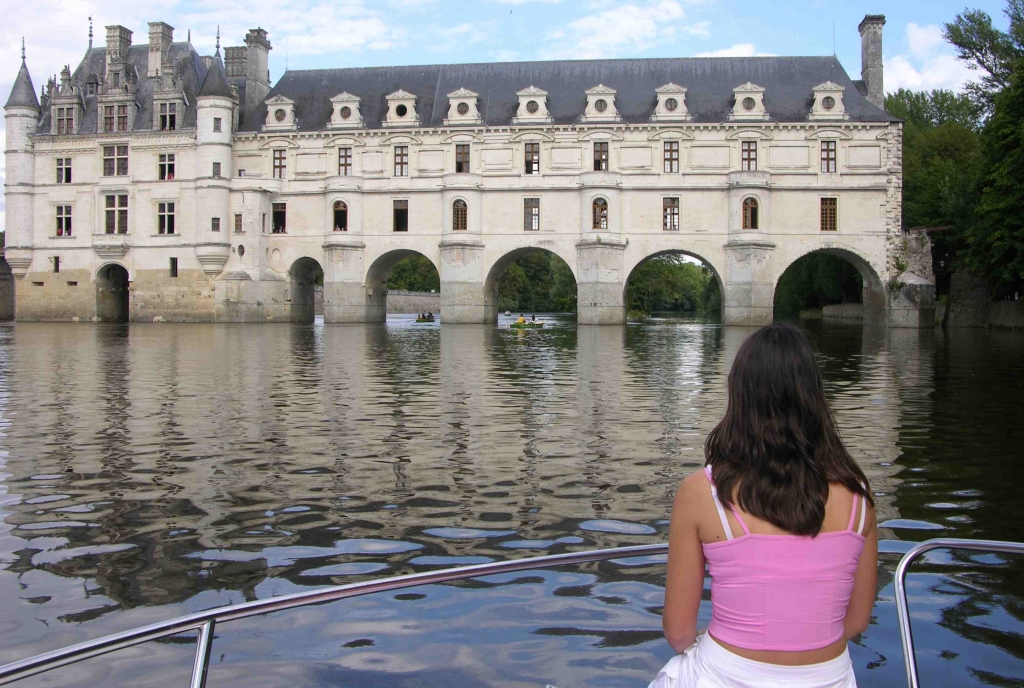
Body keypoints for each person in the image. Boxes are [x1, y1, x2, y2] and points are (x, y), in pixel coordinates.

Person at [651, 323, 876, 688]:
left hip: (728, 675)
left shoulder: (700, 492)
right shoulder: (857, 493)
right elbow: (857, 621)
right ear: (814, 396)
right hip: (828, 678)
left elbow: (678, 632)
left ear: (739, 394)